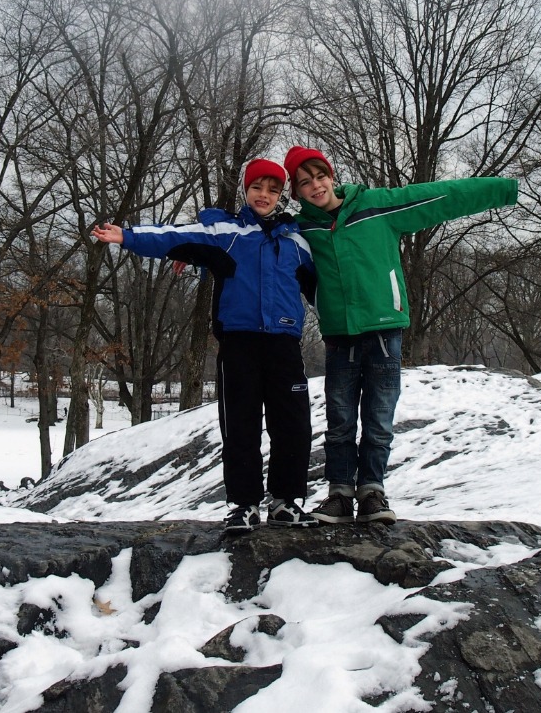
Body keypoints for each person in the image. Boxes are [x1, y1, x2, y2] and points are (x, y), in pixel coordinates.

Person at [283, 145, 518, 525]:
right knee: (341, 421)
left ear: (331, 175)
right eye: (305, 182)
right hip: (340, 337)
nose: (315, 186)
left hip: (383, 333)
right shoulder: (300, 228)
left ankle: (372, 491)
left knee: (378, 419)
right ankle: (340, 494)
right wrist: (191, 252)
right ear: (296, 191)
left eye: (320, 176)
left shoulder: (376, 206)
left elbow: (443, 196)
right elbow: (250, 236)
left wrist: (504, 188)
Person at [91, 159, 318, 534]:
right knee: (241, 425)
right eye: (257, 188)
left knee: (292, 425)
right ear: (246, 190)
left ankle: (285, 502)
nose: (264, 196)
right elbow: (172, 236)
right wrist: (127, 236)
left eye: (273, 190)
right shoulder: (223, 231)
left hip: (284, 343)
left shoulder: (297, 241)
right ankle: (244, 505)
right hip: (239, 342)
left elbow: (322, 288)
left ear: (282, 196)